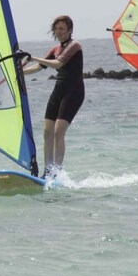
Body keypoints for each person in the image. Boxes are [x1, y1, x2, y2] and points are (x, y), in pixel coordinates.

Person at [22, 15, 84, 179]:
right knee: (47, 132)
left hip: (74, 92)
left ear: (70, 30)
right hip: (59, 90)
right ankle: (46, 172)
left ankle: (56, 172)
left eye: (62, 29)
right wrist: (19, 73)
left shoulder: (74, 45)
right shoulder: (55, 49)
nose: (59, 32)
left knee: (58, 131)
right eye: (56, 29)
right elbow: (38, 67)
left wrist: (33, 57)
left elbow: (58, 64)